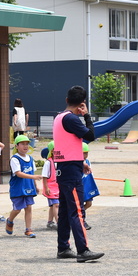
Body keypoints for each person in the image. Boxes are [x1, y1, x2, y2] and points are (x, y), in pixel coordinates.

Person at [52, 85, 104, 262]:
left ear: (67, 100)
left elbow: (64, 144)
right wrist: (87, 115)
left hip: (63, 165)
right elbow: (90, 135)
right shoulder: (72, 119)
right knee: (77, 210)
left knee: (66, 210)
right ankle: (83, 250)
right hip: (70, 170)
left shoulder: (58, 118)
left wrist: (79, 161)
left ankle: (63, 247)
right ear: (82, 103)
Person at [5, 135, 42, 238]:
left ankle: (28, 229)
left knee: (29, 208)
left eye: (27, 144)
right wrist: (34, 176)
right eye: (22, 144)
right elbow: (18, 173)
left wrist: (35, 185)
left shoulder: (30, 158)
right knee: (17, 209)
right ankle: (10, 220)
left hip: (29, 187)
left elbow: (31, 172)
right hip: (18, 188)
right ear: (17, 146)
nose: (25, 146)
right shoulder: (15, 159)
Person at [41, 142, 59, 230]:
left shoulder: (60, 161)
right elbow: (44, 176)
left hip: (58, 186)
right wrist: (46, 187)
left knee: (53, 205)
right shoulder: (48, 163)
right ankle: (59, 222)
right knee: (56, 204)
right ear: (52, 151)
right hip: (50, 187)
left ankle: (50, 222)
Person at [82, 142, 100, 231]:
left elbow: (90, 173)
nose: (85, 155)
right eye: (83, 153)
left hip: (87, 186)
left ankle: (78, 215)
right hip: (80, 186)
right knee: (80, 204)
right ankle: (82, 220)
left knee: (89, 203)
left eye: (86, 153)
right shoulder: (77, 163)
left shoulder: (88, 162)